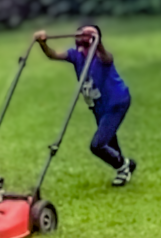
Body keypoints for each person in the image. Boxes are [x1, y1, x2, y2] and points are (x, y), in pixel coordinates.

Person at [34, 25, 136, 186]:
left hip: (116, 101)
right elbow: (53, 55)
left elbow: (107, 58)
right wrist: (43, 43)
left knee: (98, 145)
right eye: (81, 33)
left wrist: (98, 42)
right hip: (97, 104)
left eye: (88, 34)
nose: (82, 36)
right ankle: (124, 167)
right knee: (109, 140)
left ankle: (123, 165)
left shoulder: (102, 57)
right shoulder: (76, 55)